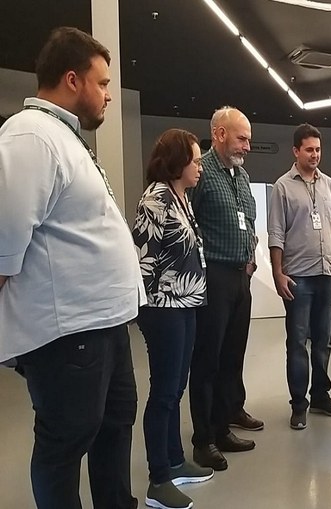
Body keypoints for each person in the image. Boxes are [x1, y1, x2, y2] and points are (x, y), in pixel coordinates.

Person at [0, 27, 143, 509]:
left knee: (115, 423)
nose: (108, 95)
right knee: (66, 441)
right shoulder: (31, 136)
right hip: (68, 331)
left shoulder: (63, 137)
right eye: (102, 83)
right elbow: (5, 239)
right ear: (72, 80)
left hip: (104, 323)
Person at [133, 129, 214, 509]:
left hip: (186, 304)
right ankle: (159, 478)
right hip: (162, 308)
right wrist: (145, 308)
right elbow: (144, 259)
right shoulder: (156, 198)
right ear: (177, 162)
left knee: (175, 389)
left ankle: (177, 461)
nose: (200, 167)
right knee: (164, 392)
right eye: (195, 161)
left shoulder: (182, 197)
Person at [268, 123, 331, 430]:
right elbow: (276, 233)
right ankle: (298, 404)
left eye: (318, 149)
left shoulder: (329, 184)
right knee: (297, 342)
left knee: (322, 341)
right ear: (296, 151)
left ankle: (320, 395)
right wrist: (278, 273)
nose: (315, 155)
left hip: (325, 273)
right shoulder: (282, 187)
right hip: (298, 276)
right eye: (309, 150)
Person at [188, 107, 260, 471]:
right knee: (208, 360)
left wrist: (251, 252)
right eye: (241, 138)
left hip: (240, 277)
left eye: (248, 140)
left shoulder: (241, 175)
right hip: (213, 277)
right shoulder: (200, 172)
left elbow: (248, 220)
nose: (247, 146)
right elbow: (189, 222)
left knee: (232, 355)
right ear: (219, 134)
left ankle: (223, 426)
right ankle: (204, 440)